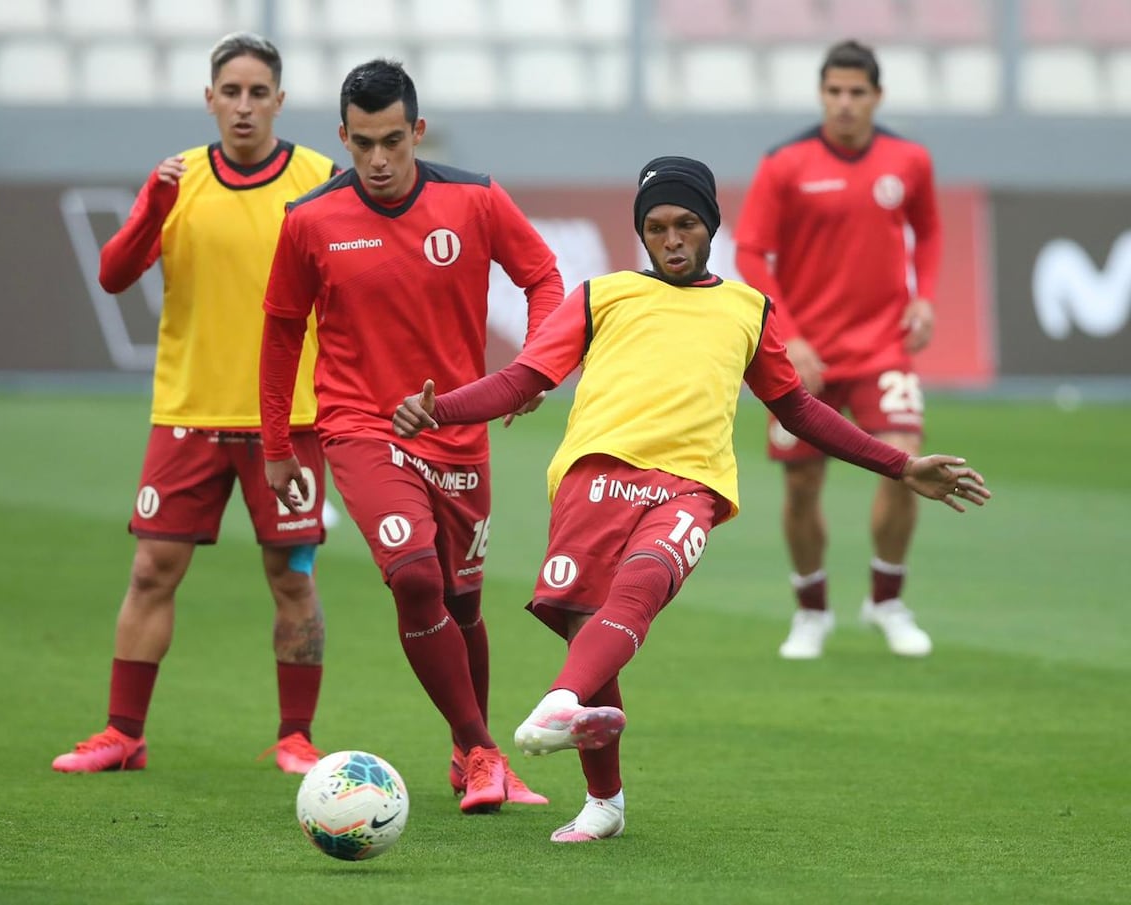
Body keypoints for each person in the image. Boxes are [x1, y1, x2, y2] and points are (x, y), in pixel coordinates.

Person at [392, 155, 988, 842]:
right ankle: (605, 801)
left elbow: (797, 409)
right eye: (657, 227)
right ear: (641, 234)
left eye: (686, 225)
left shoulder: (744, 308)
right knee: (588, 628)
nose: (672, 239)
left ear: (711, 227)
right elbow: (526, 377)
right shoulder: (601, 296)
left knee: (641, 583)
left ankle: (557, 702)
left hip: (688, 486)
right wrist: (442, 410)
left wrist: (902, 463)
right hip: (592, 480)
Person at [259, 58, 563, 814]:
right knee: (418, 577)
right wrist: (274, 447)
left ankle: (471, 758)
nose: (379, 160)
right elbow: (280, 334)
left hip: (457, 432)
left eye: (393, 140)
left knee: (462, 602)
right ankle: (486, 747)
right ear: (342, 137)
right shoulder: (310, 220)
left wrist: (534, 369)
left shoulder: (477, 199)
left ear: (418, 130)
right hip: (360, 426)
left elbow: (545, 278)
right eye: (363, 144)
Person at [52, 33, 338, 776]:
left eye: (257, 92)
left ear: (280, 99)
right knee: (152, 568)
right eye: (230, 92)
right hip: (188, 413)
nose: (243, 106)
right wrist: (150, 205)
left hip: (290, 419)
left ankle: (295, 736)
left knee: (291, 575)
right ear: (209, 99)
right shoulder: (178, 182)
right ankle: (123, 733)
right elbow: (115, 274)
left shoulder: (320, 180)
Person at [733, 40, 945, 660]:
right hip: (806, 357)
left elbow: (929, 231)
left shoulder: (909, 161)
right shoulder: (786, 164)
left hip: (883, 347)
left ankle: (886, 599)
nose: (845, 104)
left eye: (857, 92)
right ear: (821, 95)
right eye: (834, 92)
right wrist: (788, 335)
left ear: (877, 97)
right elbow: (750, 253)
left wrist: (924, 297)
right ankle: (811, 611)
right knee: (802, 487)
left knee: (907, 465)